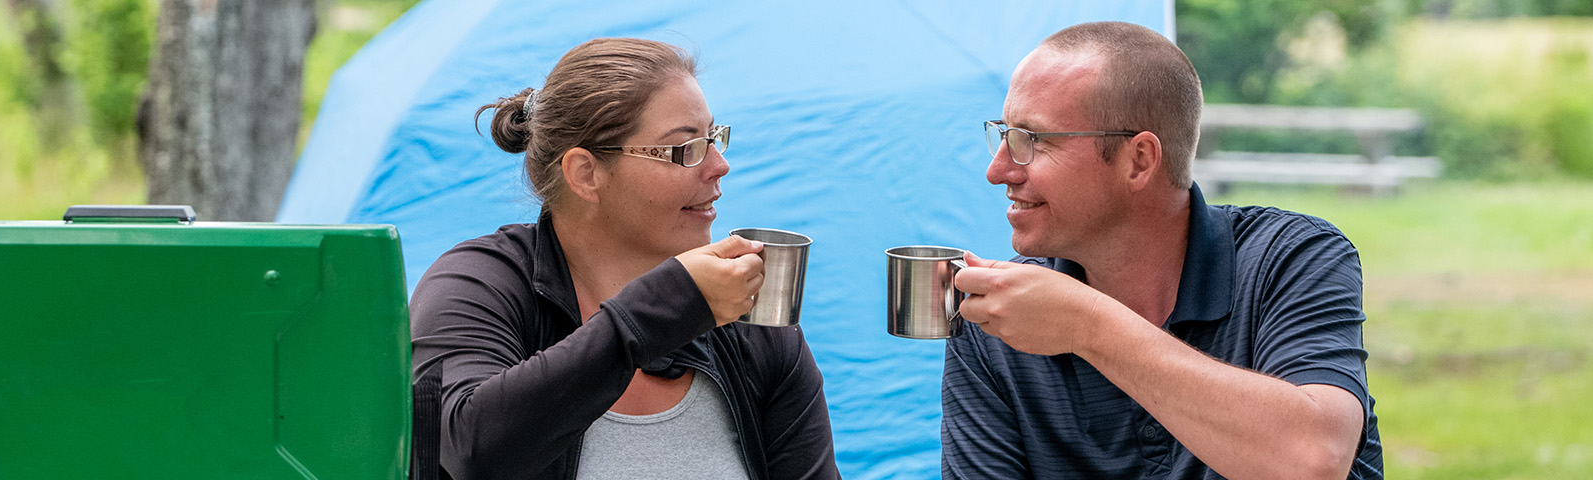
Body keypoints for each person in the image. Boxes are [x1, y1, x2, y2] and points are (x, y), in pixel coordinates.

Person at [940, 22, 1383, 479]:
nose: (998, 171)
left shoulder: (1291, 257)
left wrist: (1085, 325)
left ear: (1139, 161)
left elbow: (1314, 461)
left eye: (1032, 141)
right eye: (1005, 135)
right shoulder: (998, 321)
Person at [409, 38, 841, 480]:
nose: (719, 165)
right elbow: (470, 451)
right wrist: (668, 306)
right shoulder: (478, 285)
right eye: (685, 148)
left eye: (714, 137)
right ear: (586, 174)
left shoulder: (747, 324)